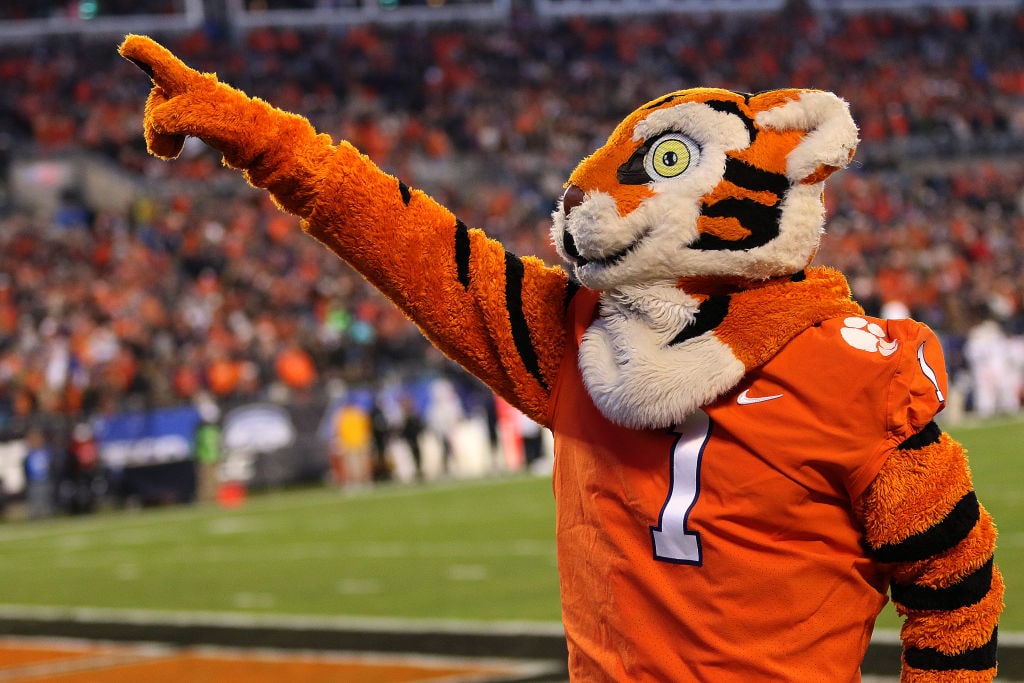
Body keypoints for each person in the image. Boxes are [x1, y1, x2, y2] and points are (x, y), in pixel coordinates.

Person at [119, 37, 1002, 681]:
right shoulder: (579, 335)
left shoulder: (849, 369)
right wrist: (257, 135)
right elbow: (405, 237)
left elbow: (955, 584)